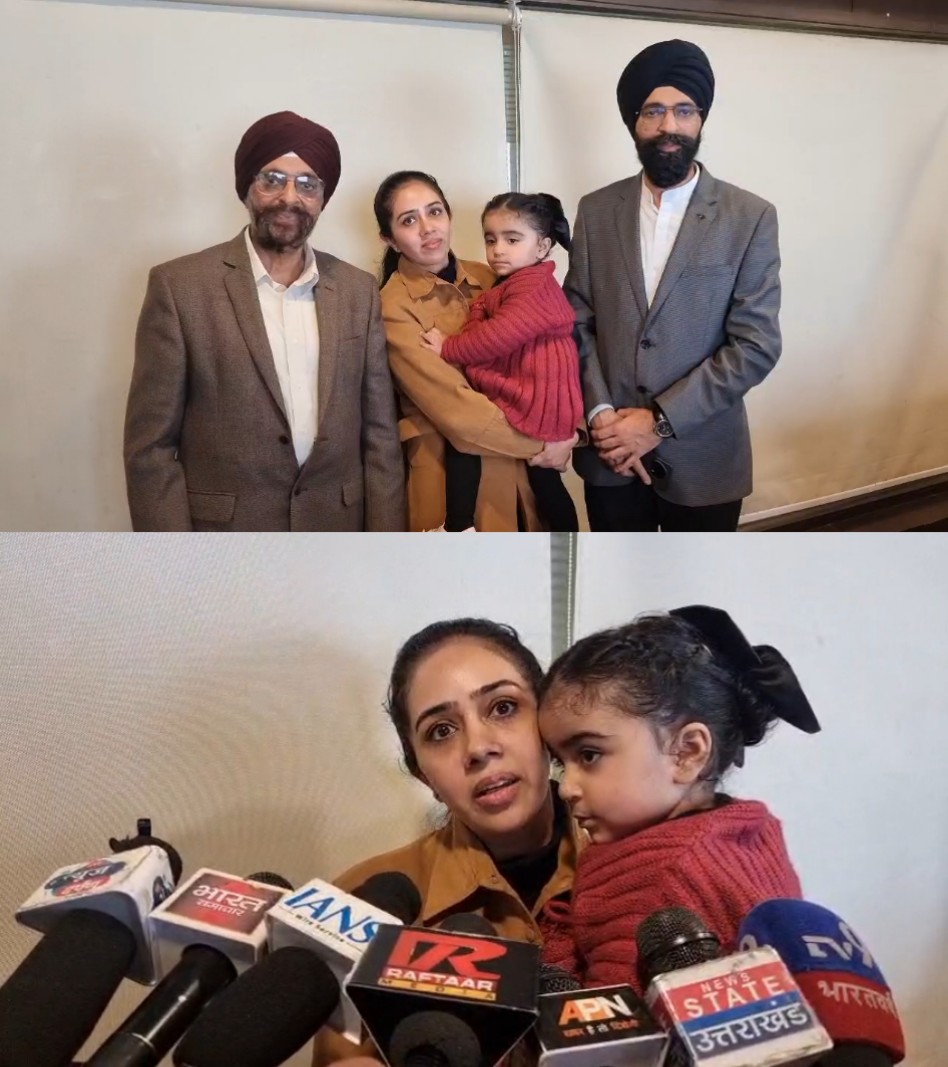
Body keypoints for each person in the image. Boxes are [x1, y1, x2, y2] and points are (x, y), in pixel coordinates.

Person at [311, 617, 580, 1065]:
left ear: (547, 726)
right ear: (424, 776)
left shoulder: (655, 861)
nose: (478, 748)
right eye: (441, 731)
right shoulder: (358, 902)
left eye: (503, 707)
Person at [124, 111, 405, 531]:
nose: (289, 197)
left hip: (337, 532)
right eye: (272, 180)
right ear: (246, 188)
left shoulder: (357, 290)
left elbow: (381, 436)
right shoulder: (179, 288)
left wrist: (385, 547)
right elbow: (150, 450)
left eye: (307, 184)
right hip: (225, 540)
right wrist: (173, 557)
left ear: (322, 198)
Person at [537, 605, 821, 992]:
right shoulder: (745, 834)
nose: (566, 787)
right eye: (560, 762)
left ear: (687, 753)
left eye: (589, 755)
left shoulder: (660, 875)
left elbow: (610, 1019)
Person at [566, 40, 782, 531]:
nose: (669, 125)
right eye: (654, 111)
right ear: (634, 121)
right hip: (610, 455)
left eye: (685, 110)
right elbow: (576, 321)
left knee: (697, 576)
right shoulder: (596, 211)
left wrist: (658, 421)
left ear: (701, 119)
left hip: (704, 459)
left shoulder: (749, 217)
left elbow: (756, 345)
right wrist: (600, 413)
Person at [374, 172, 578, 531]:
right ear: (389, 239)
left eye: (434, 211)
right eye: (408, 220)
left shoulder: (493, 276)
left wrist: (572, 431)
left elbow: (552, 355)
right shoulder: (392, 306)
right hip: (452, 484)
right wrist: (548, 444)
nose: (427, 228)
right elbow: (456, 410)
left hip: (521, 478)